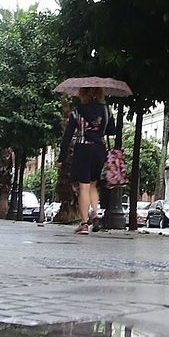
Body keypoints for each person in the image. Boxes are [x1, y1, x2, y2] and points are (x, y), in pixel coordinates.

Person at [63, 87, 110, 235]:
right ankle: (95, 213)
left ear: (83, 94)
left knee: (83, 186)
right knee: (93, 184)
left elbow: (67, 136)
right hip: (99, 149)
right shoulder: (106, 110)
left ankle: (84, 224)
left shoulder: (77, 112)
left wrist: (62, 157)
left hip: (83, 149)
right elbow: (113, 130)